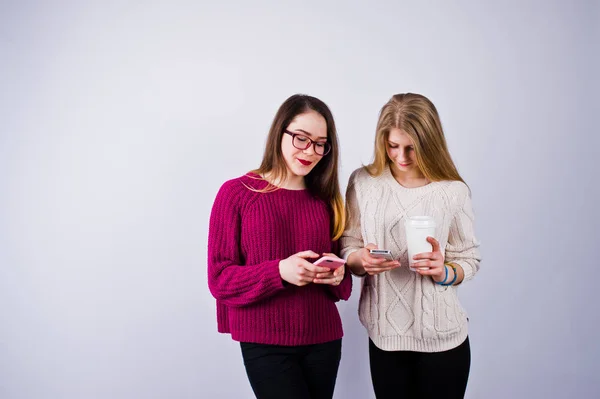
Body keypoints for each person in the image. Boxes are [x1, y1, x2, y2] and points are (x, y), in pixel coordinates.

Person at [207, 94, 352, 399]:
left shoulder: (326, 201)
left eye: (320, 144)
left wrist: (337, 276)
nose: (310, 151)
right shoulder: (237, 193)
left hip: (324, 339)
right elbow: (220, 279)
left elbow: (343, 283)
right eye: (301, 138)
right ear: (280, 133)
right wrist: (279, 271)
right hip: (265, 342)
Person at [341, 93, 481, 399]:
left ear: (430, 143)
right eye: (393, 146)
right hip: (385, 336)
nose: (401, 157)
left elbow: (469, 259)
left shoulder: (452, 191)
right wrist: (359, 260)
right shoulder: (363, 182)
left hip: (444, 338)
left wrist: (443, 271)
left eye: (412, 148)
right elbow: (348, 244)